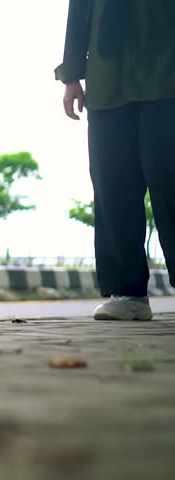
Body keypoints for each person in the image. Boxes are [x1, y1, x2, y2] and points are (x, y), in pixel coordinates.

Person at [56, 0, 175, 320]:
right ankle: (128, 292)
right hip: (108, 75)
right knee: (111, 182)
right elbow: (79, 9)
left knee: (169, 177)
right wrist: (71, 76)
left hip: (167, 72)